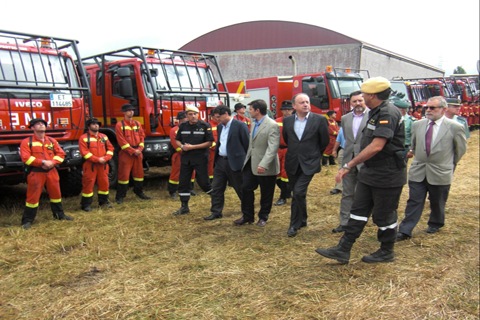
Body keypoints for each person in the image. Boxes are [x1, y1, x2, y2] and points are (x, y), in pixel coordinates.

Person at [316, 77, 407, 264]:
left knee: (384, 216)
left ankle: (386, 251)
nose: (362, 97)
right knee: (358, 210)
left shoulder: (388, 112)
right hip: (370, 172)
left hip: (387, 174)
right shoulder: (375, 111)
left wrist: (348, 165)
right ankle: (343, 248)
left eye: (364, 94)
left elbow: (376, 146)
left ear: (372, 95)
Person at [396, 96, 467, 241]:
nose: (428, 110)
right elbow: (414, 146)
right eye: (426, 107)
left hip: (440, 171)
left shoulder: (455, 127)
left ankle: (435, 222)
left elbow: (460, 150)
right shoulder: (418, 125)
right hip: (419, 170)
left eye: (432, 108)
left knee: (437, 200)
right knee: (414, 201)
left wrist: (448, 164)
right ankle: (405, 230)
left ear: (443, 109)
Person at [283, 93, 329, 237]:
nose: (305, 105)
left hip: (310, 162)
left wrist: (314, 154)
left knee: (297, 192)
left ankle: (293, 225)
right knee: (299, 193)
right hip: (292, 162)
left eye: (307, 102)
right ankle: (302, 219)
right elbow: (287, 139)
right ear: (294, 106)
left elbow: (324, 141)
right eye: (301, 102)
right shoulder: (288, 121)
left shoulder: (320, 120)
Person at [20, 118, 74, 229]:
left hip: (51, 171)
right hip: (36, 173)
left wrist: (52, 162)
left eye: (43, 124)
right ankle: (27, 221)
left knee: (56, 195)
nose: (41, 125)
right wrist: (42, 162)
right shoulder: (27, 142)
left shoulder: (51, 141)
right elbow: (26, 158)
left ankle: (59, 215)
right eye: (37, 124)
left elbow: (61, 154)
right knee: (32, 198)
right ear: (32, 128)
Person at [234, 99, 280, 227]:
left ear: (257, 110)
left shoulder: (272, 125)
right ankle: (247, 216)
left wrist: (263, 164)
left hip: (266, 166)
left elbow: (273, 148)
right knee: (246, 188)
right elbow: (252, 145)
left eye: (250, 109)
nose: (248, 111)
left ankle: (263, 217)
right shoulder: (254, 123)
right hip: (251, 163)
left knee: (266, 192)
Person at [331, 90, 370, 233]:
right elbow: (348, 139)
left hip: (365, 160)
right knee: (347, 192)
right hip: (348, 160)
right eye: (355, 101)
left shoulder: (372, 116)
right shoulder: (346, 118)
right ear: (350, 103)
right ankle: (344, 222)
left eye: (360, 100)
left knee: (365, 193)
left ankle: (361, 221)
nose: (358, 103)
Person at [204, 105, 250, 220]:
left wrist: (245, 163)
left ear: (226, 113)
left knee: (240, 188)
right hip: (220, 162)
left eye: (219, 117)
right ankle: (216, 212)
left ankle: (248, 213)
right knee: (217, 188)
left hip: (235, 163)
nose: (217, 120)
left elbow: (247, 145)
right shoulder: (220, 127)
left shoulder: (240, 126)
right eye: (215, 118)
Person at [173, 105, 214, 215]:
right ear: (186, 115)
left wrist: (192, 147)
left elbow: (209, 142)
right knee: (183, 183)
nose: (193, 116)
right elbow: (177, 140)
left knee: (204, 183)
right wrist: (182, 147)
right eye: (190, 114)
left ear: (198, 114)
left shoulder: (205, 126)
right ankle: (184, 207)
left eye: (195, 114)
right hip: (186, 159)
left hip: (200, 158)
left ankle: (216, 202)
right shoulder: (183, 126)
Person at [115, 104, 151, 204]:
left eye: (132, 110)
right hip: (126, 154)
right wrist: (132, 151)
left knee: (139, 174)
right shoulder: (120, 125)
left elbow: (142, 137)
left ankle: (139, 192)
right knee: (124, 175)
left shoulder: (137, 124)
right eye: (128, 110)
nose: (131, 112)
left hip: (138, 153)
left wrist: (140, 149)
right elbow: (121, 141)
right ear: (124, 112)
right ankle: (120, 196)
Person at [79, 118, 115, 211]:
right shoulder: (84, 138)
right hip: (90, 165)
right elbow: (84, 152)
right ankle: (86, 205)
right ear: (88, 126)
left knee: (104, 183)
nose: (96, 125)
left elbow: (110, 149)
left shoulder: (104, 137)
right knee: (88, 184)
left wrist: (105, 158)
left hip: (103, 165)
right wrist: (98, 159)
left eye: (97, 124)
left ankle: (103, 202)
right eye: (93, 124)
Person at [167, 112, 196, 200]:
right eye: (185, 118)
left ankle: (190, 189)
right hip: (180, 154)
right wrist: (184, 151)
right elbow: (175, 144)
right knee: (176, 173)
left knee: (192, 172)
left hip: (190, 153)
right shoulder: (174, 130)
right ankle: (172, 191)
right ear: (180, 120)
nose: (187, 119)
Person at [274, 100, 294, 206]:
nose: (286, 111)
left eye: (288, 109)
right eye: (284, 109)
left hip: (289, 150)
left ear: (292, 110)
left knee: (285, 174)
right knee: (277, 174)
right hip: (277, 150)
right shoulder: (276, 121)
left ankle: (283, 197)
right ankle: (286, 192)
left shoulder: (296, 121)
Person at [329, 127, 345, 195]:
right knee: (341, 169)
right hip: (343, 150)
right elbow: (338, 140)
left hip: (357, 151)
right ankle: (338, 187)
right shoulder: (342, 128)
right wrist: (334, 150)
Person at [208, 108, 220, 182]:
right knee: (211, 165)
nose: (218, 118)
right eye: (217, 117)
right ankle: (211, 180)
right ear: (212, 116)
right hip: (212, 150)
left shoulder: (221, 124)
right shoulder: (208, 125)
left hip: (220, 149)